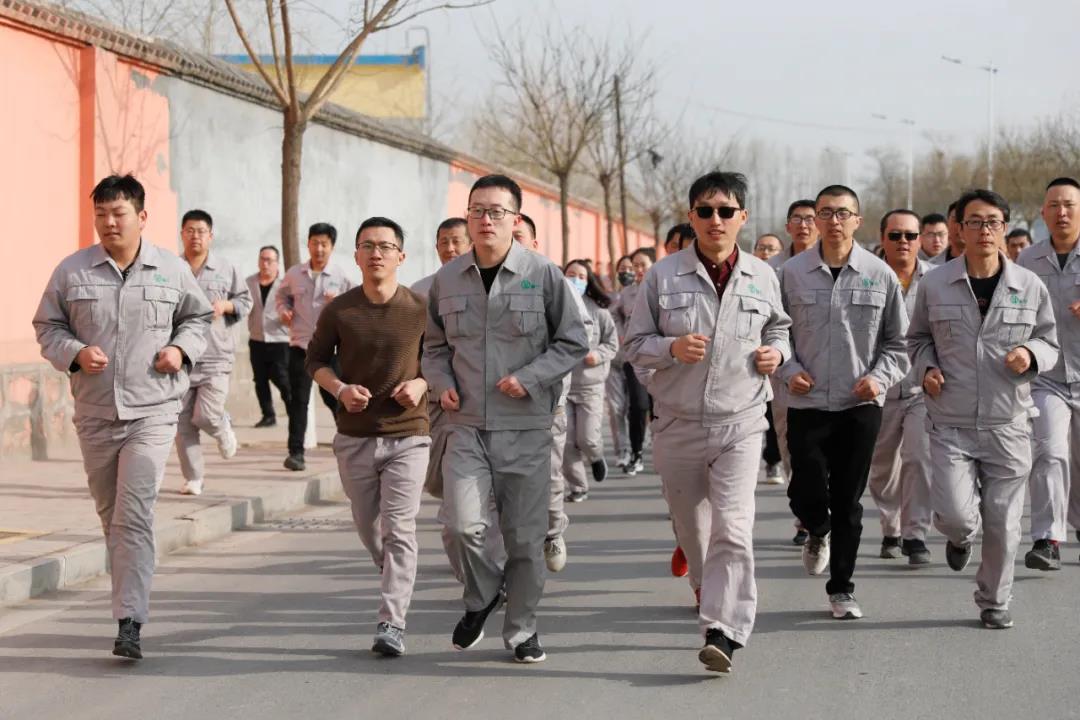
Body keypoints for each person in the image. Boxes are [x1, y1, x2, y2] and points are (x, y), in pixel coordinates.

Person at [33, 174, 212, 659]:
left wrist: (180, 350)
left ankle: (129, 620)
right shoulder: (73, 271)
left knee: (133, 514)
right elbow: (47, 325)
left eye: (119, 213)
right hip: (95, 413)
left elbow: (197, 319)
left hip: (153, 411)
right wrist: (74, 352)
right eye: (101, 214)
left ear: (142, 217)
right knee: (111, 515)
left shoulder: (171, 269)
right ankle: (128, 600)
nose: (109, 223)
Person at [625, 171, 791, 673]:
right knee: (694, 533)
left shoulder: (762, 275)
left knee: (733, 528)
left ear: (742, 217)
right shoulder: (662, 277)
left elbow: (779, 330)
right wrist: (671, 349)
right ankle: (704, 586)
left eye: (725, 211)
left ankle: (724, 630)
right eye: (705, 211)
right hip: (677, 423)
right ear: (691, 216)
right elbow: (634, 346)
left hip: (742, 421)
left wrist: (777, 355)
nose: (715, 220)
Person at [423, 174, 588, 663]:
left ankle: (522, 629)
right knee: (460, 525)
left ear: (515, 219)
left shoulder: (543, 274)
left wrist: (531, 377)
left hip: (526, 427)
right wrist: (441, 381)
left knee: (523, 539)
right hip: (466, 425)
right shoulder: (447, 279)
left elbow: (573, 342)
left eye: (496, 211)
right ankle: (483, 594)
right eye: (477, 210)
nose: (486, 220)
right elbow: (434, 347)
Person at [908, 188, 1058, 629]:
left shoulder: (1028, 285)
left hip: (1008, 423)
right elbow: (916, 340)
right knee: (956, 516)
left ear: (1004, 227)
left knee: (1005, 524)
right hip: (950, 422)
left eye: (993, 222)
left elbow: (1050, 342)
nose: (984, 230)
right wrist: (927, 368)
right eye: (974, 222)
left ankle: (994, 600)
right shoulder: (935, 284)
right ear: (959, 229)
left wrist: (1030, 353)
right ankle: (961, 537)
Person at [778, 184, 910, 620]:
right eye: (826, 212)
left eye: (842, 213)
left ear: (857, 220)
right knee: (805, 490)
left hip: (860, 404)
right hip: (807, 400)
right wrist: (788, 369)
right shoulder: (790, 274)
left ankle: (842, 589)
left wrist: (879, 378)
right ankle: (817, 528)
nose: (834, 221)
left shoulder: (879, 274)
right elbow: (774, 333)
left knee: (849, 501)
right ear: (814, 219)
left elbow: (899, 343)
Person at [307, 216, 429, 657]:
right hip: (355, 435)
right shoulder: (340, 310)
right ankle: (393, 567)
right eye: (368, 246)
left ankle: (391, 622)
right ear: (356, 255)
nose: (376, 253)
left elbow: (441, 358)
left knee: (400, 528)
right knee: (369, 526)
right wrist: (340, 389)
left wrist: (422, 384)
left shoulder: (420, 308)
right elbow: (315, 361)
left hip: (409, 434)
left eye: (385, 246)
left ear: (401, 255)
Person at [413, 218, 505, 583]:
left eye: (456, 241)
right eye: (443, 242)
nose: (449, 249)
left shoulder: (493, 285)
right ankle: (470, 556)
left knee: (488, 492)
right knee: (443, 485)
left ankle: (493, 571)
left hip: (491, 405)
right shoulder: (420, 292)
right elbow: (416, 350)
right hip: (439, 405)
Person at [1017, 177, 1080, 570]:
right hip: (1047, 377)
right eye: (1054, 205)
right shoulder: (1027, 261)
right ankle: (1047, 538)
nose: (1062, 212)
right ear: (1043, 213)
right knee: (1050, 452)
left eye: (1069, 204)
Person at [866, 210, 933, 566]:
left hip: (923, 389)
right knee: (881, 468)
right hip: (878, 389)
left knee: (919, 458)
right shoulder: (866, 277)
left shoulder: (937, 280)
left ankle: (915, 535)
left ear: (920, 239)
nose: (903, 242)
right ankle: (890, 525)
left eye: (910, 235)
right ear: (883, 239)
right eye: (895, 235)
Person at [175, 209, 251, 496]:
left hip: (216, 355)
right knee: (183, 423)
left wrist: (226, 306)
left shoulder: (225, 268)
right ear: (182, 234)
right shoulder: (173, 268)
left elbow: (245, 301)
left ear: (210, 236)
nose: (195, 236)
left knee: (206, 415)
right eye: (190, 231)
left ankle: (222, 427)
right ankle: (194, 477)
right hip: (182, 357)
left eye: (201, 231)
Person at [277, 223, 356, 471]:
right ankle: (296, 454)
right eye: (315, 243)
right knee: (298, 402)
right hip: (300, 347)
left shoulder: (341, 276)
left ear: (332, 246)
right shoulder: (294, 274)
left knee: (335, 397)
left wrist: (339, 303)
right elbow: (281, 296)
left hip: (330, 350)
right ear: (308, 244)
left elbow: (356, 305)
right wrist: (284, 310)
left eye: (324, 244)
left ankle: (349, 443)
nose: (319, 249)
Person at [771, 200, 820, 541]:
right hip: (786, 375)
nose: (804, 225)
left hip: (829, 373)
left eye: (810, 219)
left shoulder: (834, 264)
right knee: (791, 447)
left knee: (828, 450)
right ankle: (805, 514)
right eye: (797, 219)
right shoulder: (770, 270)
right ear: (787, 226)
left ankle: (821, 511)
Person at [563, 260, 618, 502]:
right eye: (571, 274)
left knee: (587, 438)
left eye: (581, 276)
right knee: (566, 441)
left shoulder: (599, 311)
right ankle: (578, 487)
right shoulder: (555, 306)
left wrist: (598, 355)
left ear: (589, 281)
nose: (575, 280)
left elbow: (612, 344)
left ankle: (595, 456)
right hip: (563, 386)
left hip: (590, 386)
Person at [616, 247, 656, 475]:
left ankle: (662, 449)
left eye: (643, 265)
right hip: (634, 357)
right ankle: (637, 452)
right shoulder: (626, 293)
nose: (638, 270)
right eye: (635, 266)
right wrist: (622, 333)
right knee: (638, 406)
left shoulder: (662, 289)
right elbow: (615, 315)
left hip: (659, 358)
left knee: (658, 406)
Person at [246, 246, 291, 428]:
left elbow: (295, 308)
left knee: (281, 378)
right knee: (260, 379)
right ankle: (268, 416)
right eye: (262, 259)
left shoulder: (286, 285)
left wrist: (288, 315)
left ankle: (294, 412)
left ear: (277, 263)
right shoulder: (249, 283)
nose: (265, 264)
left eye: (269, 260)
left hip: (280, 339)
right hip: (256, 339)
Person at [606, 254, 635, 468]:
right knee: (617, 408)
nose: (627, 272)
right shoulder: (608, 298)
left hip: (636, 361)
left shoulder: (644, 293)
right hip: (614, 361)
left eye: (630, 268)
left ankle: (637, 446)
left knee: (636, 408)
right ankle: (622, 451)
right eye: (623, 269)